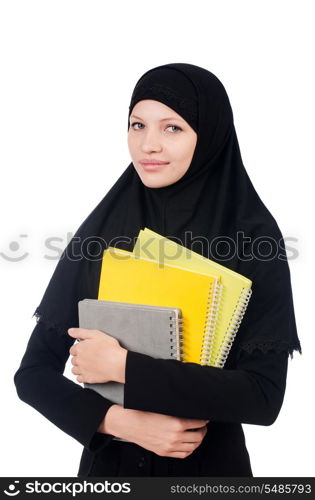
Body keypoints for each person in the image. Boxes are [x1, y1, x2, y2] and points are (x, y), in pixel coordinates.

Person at [14, 63, 301, 477]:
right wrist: (118, 423)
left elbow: (263, 397)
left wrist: (123, 367)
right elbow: (34, 374)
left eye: (172, 128)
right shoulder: (103, 230)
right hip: (109, 474)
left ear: (210, 134)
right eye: (137, 125)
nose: (148, 145)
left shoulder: (252, 236)